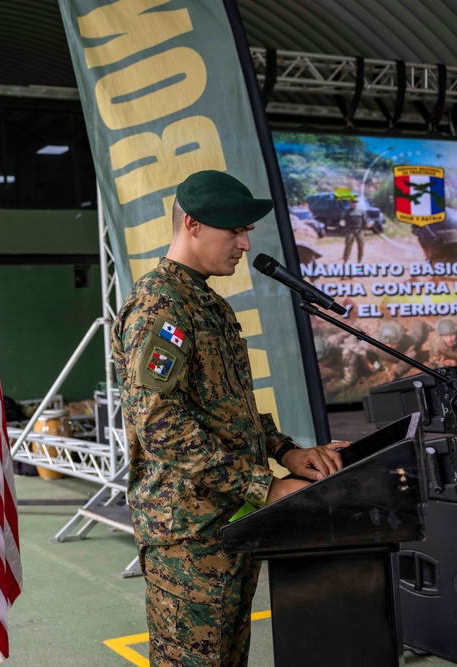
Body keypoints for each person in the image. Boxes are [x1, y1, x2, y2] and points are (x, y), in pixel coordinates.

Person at [111, 170, 349, 667]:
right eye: (234, 231)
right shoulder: (161, 304)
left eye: (246, 231)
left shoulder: (208, 303)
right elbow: (158, 423)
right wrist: (265, 486)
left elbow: (229, 407)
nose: (245, 243)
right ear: (192, 224)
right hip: (188, 535)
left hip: (231, 519)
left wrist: (286, 451)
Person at [342, 198, 366, 263]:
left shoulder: (360, 211)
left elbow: (365, 221)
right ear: (350, 203)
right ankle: (345, 259)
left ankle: (359, 259)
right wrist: (342, 223)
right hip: (350, 230)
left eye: (355, 203)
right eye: (352, 203)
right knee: (348, 245)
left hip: (359, 230)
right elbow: (343, 219)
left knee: (361, 245)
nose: (354, 204)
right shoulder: (347, 212)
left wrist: (366, 226)